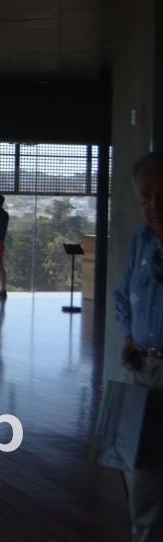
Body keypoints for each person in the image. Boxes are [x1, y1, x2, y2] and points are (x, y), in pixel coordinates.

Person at [114, 150, 163, 542]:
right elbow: (122, 295)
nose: (154, 205)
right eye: (146, 195)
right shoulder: (140, 241)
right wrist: (131, 335)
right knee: (143, 476)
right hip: (145, 371)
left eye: (162, 193)